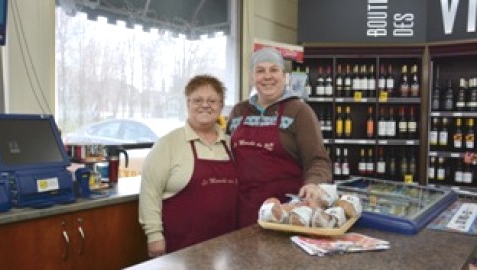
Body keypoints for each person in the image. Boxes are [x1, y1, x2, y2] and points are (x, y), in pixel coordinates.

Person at [226, 47, 333, 228]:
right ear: (252, 78)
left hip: (285, 214)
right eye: (260, 71)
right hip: (242, 211)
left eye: (274, 70)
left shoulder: (299, 111)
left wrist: (313, 183)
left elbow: (318, 160)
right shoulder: (238, 111)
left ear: (284, 76)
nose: (267, 76)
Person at [139, 75, 238, 258]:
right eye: (197, 100)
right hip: (180, 248)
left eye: (212, 100)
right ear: (188, 103)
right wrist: (154, 236)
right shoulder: (168, 144)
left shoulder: (231, 145)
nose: (205, 105)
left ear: (221, 105)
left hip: (225, 247)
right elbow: (149, 193)